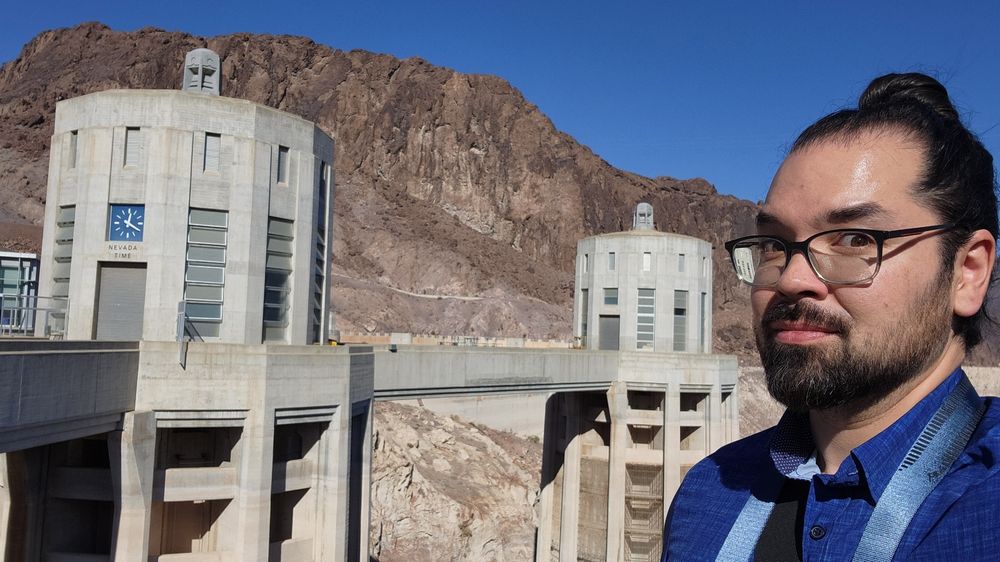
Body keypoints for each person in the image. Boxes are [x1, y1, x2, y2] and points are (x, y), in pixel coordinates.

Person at [663, 72, 998, 561]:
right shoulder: (710, 496)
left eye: (856, 239)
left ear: (967, 273)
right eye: (776, 243)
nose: (792, 278)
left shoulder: (983, 512)